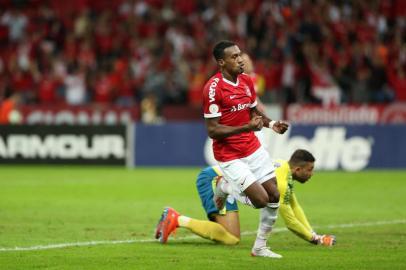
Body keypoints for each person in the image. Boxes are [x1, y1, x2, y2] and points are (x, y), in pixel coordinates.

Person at [201, 40, 289, 258]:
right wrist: (245, 127)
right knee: (260, 201)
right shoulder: (212, 89)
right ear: (221, 62)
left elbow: (253, 114)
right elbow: (213, 130)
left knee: (274, 195)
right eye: (234, 57)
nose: (240, 59)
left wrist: (271, 124)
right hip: (229, 155)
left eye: (239, 55)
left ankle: (259, 247)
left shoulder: (247, 81)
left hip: (253, 148)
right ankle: (224, 186)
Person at [155, 149, 336, 248]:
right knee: (231, 239)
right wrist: (315, 239)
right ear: (298, 170)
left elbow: (295, 207)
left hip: (229, 180)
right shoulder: (280, 181)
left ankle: (175, 218)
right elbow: (289, 220)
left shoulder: (283, 169)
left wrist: (314, 234)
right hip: (215, 178)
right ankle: (176, 218)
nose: (312, 174)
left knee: (232, 237)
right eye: (310, 170)